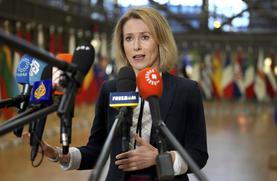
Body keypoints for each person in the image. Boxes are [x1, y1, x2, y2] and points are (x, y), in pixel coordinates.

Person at [23, 6, 208, 181]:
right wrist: (57, 154)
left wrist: (160, 158)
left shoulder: (186, 90)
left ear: (160, 40)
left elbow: (198, 156)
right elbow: (96, 151)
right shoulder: (109, 89)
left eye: (144, 37)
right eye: (128, 38)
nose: (136, 46)